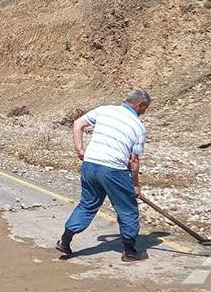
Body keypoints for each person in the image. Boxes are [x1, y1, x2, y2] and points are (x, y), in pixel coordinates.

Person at [56, 90, 151, 262]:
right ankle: (129, 251)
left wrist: (80, 149)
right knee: (127, 209)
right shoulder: (138, 126)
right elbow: (134, 161)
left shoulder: (104, 110)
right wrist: (135, 185)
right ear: (140, 105)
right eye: (145, 108)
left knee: (87, 204)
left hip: (90, 165)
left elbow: (77, 124)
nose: (144, 112)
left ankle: (65, 240)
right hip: (114, 170)